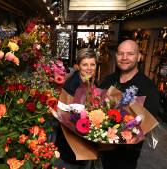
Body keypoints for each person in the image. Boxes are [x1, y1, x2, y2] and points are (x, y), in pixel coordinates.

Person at [99, 39, 162, 169]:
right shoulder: (108, 80)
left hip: (125, 156)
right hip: (100, 149)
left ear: (139, 57)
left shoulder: (147, 88)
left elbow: (147, 125)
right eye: (121, 53)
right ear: (116, 56)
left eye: (130, 54)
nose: (124, 57)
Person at [54, 48, 101, 169]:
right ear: (78, 66)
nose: (89, 68)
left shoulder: (93, 82)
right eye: (85, 64)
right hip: (70, 146)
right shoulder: (72, 85)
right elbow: (66, 117)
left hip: (85, 143)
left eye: (92, 64)